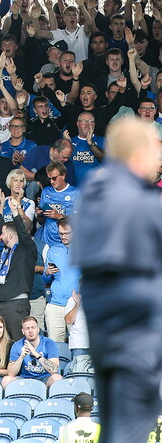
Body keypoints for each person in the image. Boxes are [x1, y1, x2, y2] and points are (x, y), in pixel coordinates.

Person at [73, 118, 162, 443]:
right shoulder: (141, 201)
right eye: (157, 150)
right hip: (137, 334)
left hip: (104, 333)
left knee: (114, 429)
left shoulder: (91, 194)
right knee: (131, 430)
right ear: (140, 154)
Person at [0, 198, 38, 341]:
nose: (0, 237)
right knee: (2, 345)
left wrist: (15, 212)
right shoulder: (5, 253)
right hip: (2, 305)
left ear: (11, 235)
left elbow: (24, 234)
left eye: (3, 233)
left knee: (18, 343)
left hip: (16, 306)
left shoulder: (26, 250)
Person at [2, 316, 62, 388]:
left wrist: (36, 355)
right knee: (6, 380)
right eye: (27, 328)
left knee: (57, 378)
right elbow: (11, 373)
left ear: (38, 329)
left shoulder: (49, 343)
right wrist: (21, 357)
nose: (30, 331)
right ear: (23, 331)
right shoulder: (17, 345)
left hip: (45, 379)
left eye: (33, 327)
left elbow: (54, 370)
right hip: (25, 379)